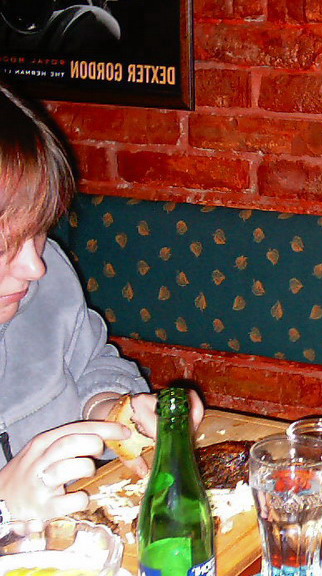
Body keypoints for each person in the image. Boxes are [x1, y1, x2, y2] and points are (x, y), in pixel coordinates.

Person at [0, 83, 202, 524]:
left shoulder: (47, 273)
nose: (34, 267)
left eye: (38, 230)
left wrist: (118, 411)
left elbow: (89, 363)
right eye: (4, 245)